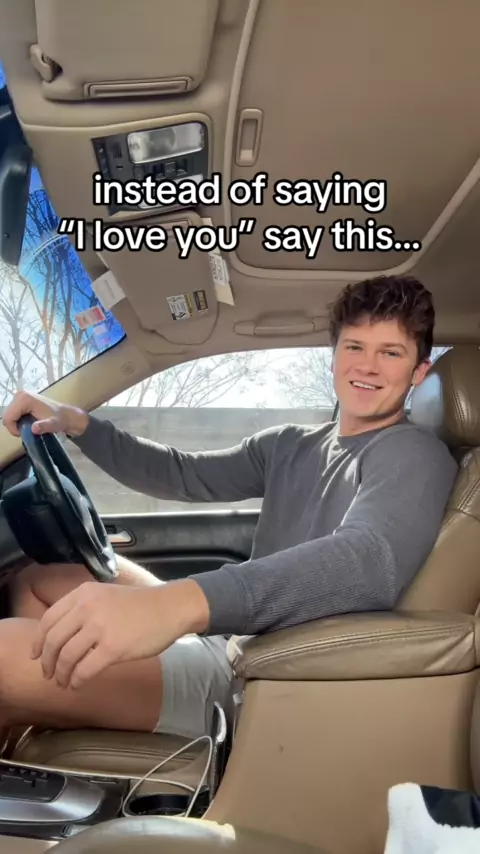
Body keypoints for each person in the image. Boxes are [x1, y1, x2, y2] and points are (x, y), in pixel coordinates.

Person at [0, 274, 458, 740]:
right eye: (355, 346)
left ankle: (41, 695)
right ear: (334, 355)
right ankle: (43, 721)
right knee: (38, 578)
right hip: (232, 637)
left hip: (261, 674)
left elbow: (367, 560)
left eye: (391, 353)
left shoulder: (413, 454)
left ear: (418, 372)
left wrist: (177, 605)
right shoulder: (290, 445)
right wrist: (79, 424)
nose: (368, 366)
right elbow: (180, 473)